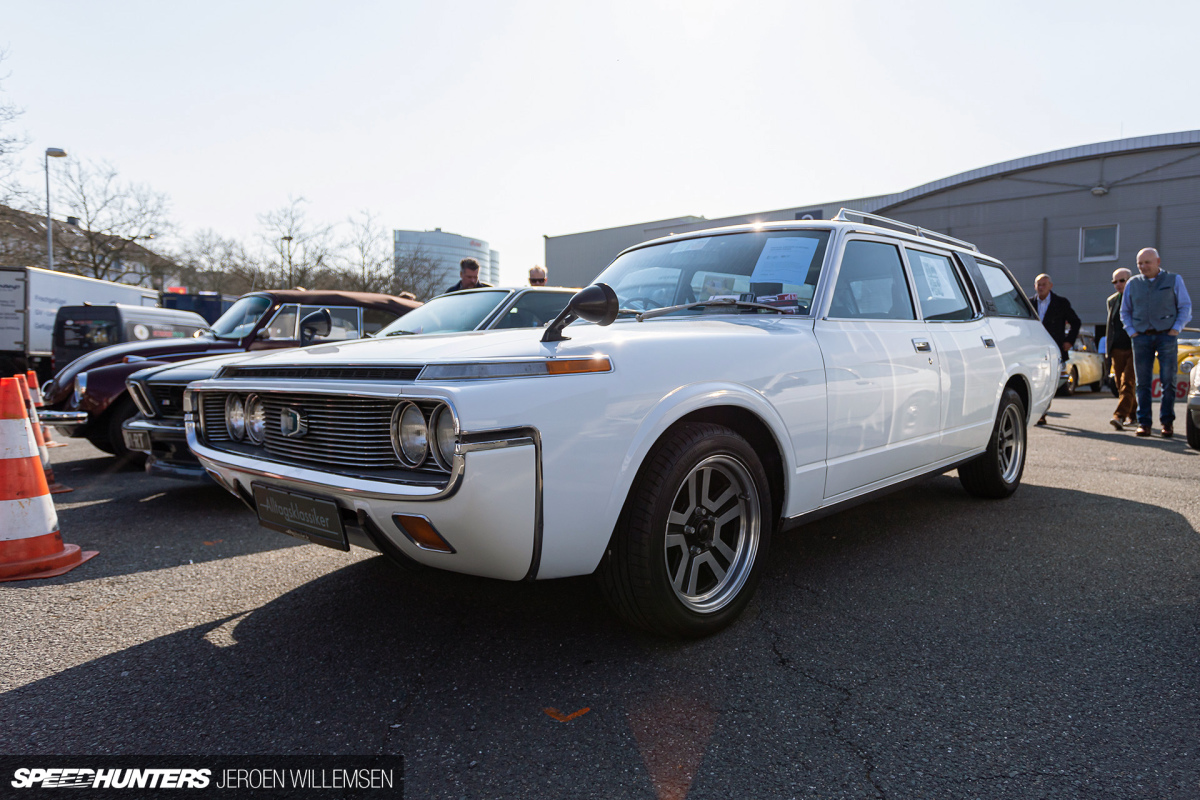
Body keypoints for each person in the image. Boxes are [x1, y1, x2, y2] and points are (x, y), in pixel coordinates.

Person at [1120, 247, 1192, 437]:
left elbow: (1185, 306)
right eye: (1140, 263)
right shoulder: (1133, 283)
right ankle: (1144, 423)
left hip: (1166, 335)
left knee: (1168, 381)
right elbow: (1125, 311)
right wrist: (1132, 331)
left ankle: (1167, 422)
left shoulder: (1174, 279)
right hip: (1141, 337)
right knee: (1142, 382)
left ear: (1158, 262)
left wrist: (1176, 329)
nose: (1143, 266)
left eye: (1147, 262)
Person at [1029, 273, 1081, 425]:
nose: (1041, 287)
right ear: (1034, 286)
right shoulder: (1028, 303)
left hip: (1054, 349)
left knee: (1049, 383)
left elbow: (1076, 322)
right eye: (1038, 284)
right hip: (1034, 350)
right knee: (1036, 381)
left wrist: (1069, 341)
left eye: (1044, 284)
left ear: (1050, 286)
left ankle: (1042, 411)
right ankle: (1039, 413)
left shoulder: (1061, 303)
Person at [1106, 268, 1136, 430]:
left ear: (1130, 281)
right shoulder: (1112, 301)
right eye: (1115, 282)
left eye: (1122, 281)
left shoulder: (1137, 297)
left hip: (1134, 347)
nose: (1118, 284)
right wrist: (1108, 349)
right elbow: (1110, 326)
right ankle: (1134, 414)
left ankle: (1119, 416)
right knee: (1119, 384)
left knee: (1128, 382)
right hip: (1117, 348)